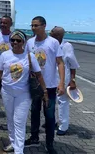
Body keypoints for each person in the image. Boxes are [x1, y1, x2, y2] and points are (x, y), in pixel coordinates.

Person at [0, 31, 48, 154]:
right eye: (13, 40)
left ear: (23, 42)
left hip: (24, 94)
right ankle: (13, 142)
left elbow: (39, 75)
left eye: (18, 40)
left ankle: (19, 150)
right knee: (10, 119)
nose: (15, 43)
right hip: (7, 92)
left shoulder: (30, 56)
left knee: (19, 122)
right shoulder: (5, 55)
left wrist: (45, 91)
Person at [25, 16, 65, 154]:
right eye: (32, 26)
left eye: (36, 25)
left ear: (44, 26)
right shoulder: (29, 42)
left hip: (50, 86)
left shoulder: (53, 42)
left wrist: (61, 83)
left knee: (49, 115)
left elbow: (60, 63)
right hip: (34, 85)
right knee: (34, 112)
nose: (33, 28)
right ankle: (34, 137)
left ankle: (49, 144)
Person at [50, 26, 79, 136]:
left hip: (63, 78)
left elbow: (72, 64)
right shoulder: (52, 43)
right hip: (51, 77)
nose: (50, 33)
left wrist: (72, 79)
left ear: (58, 35)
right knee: (52, 101)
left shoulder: (67, 46)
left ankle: (63, 126)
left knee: (63, 102)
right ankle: (55, 122)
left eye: (52, 32)